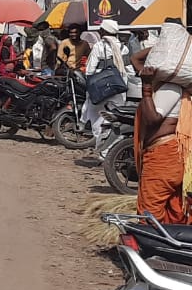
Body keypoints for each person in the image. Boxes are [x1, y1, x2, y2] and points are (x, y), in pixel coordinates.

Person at [132, 47, 190, 224]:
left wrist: (147, 87)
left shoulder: (170, 88)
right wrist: (166, 43)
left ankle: (152, 247)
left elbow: (152, 119)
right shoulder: (169, 85)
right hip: (170, 156)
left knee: (150, 210)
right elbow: (135, 59)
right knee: (174, 210)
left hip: (164, 156)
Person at [81, 19, 130, 160]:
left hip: (101, 90)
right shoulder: (123, 48)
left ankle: (103, 151)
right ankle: (112, 151)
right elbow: (130, 71)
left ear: (103, 31)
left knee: (97, 120)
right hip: (118, 90)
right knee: (116, 119)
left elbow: (89, 71)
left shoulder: (99, 47)